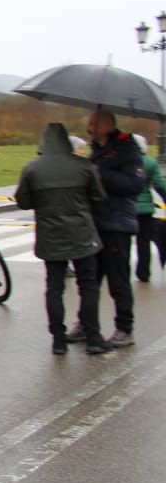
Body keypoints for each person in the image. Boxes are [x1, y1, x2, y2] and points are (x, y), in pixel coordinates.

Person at [15, 123, 109, 354]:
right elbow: (99, 196)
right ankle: (93, 337)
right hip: (82, 234)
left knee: (54, 287)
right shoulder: (83, 166)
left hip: (50, 235)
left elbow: (23, 202)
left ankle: (58, 339)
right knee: (88, 286)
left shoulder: (32, 169)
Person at [67, 109, 145, 349]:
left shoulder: (128, 150)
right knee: (90, 280)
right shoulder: (97, 150)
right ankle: (86, 323)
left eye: (93, 123)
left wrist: (101, 174)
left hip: (116, 225)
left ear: (107, 125)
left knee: (118, 281)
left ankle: (124, 328)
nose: (89, 128)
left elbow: (133, 185)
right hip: (94, 223)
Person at [131, 133, 166, 282]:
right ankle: (143, 273)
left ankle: (120, 273)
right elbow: (159, 185)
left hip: (125, 208)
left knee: (122, 241)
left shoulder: (122, 162)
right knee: (143, 242)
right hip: (145, 210)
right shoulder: (150, 163)